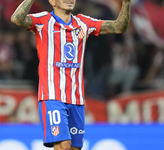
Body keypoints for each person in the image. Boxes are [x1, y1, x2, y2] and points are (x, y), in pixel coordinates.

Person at [11, 0, 131, 149]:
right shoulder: (43, 21)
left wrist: (126, 3)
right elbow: (16, 19)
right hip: (52, 96)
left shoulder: (84, 23)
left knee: (74, 148)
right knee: (64, 146)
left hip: (76, 98)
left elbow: (119, 27)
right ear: (52, 1)